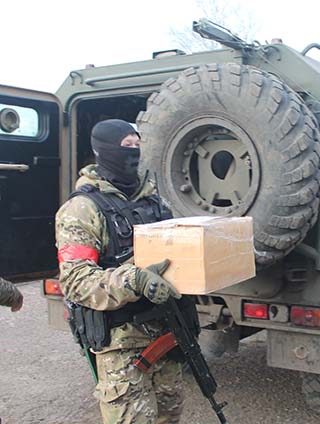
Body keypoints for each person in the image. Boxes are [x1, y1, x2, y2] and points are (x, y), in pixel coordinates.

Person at [55, 119, 184, 423]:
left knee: (171, 416)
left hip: (166, 331)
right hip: (122, 341)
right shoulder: (82, 209)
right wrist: (134, 280)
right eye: (126, 145)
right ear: (103, 150)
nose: (134, 151)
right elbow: (75, 281)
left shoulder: (156, 200)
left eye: (138, 144)